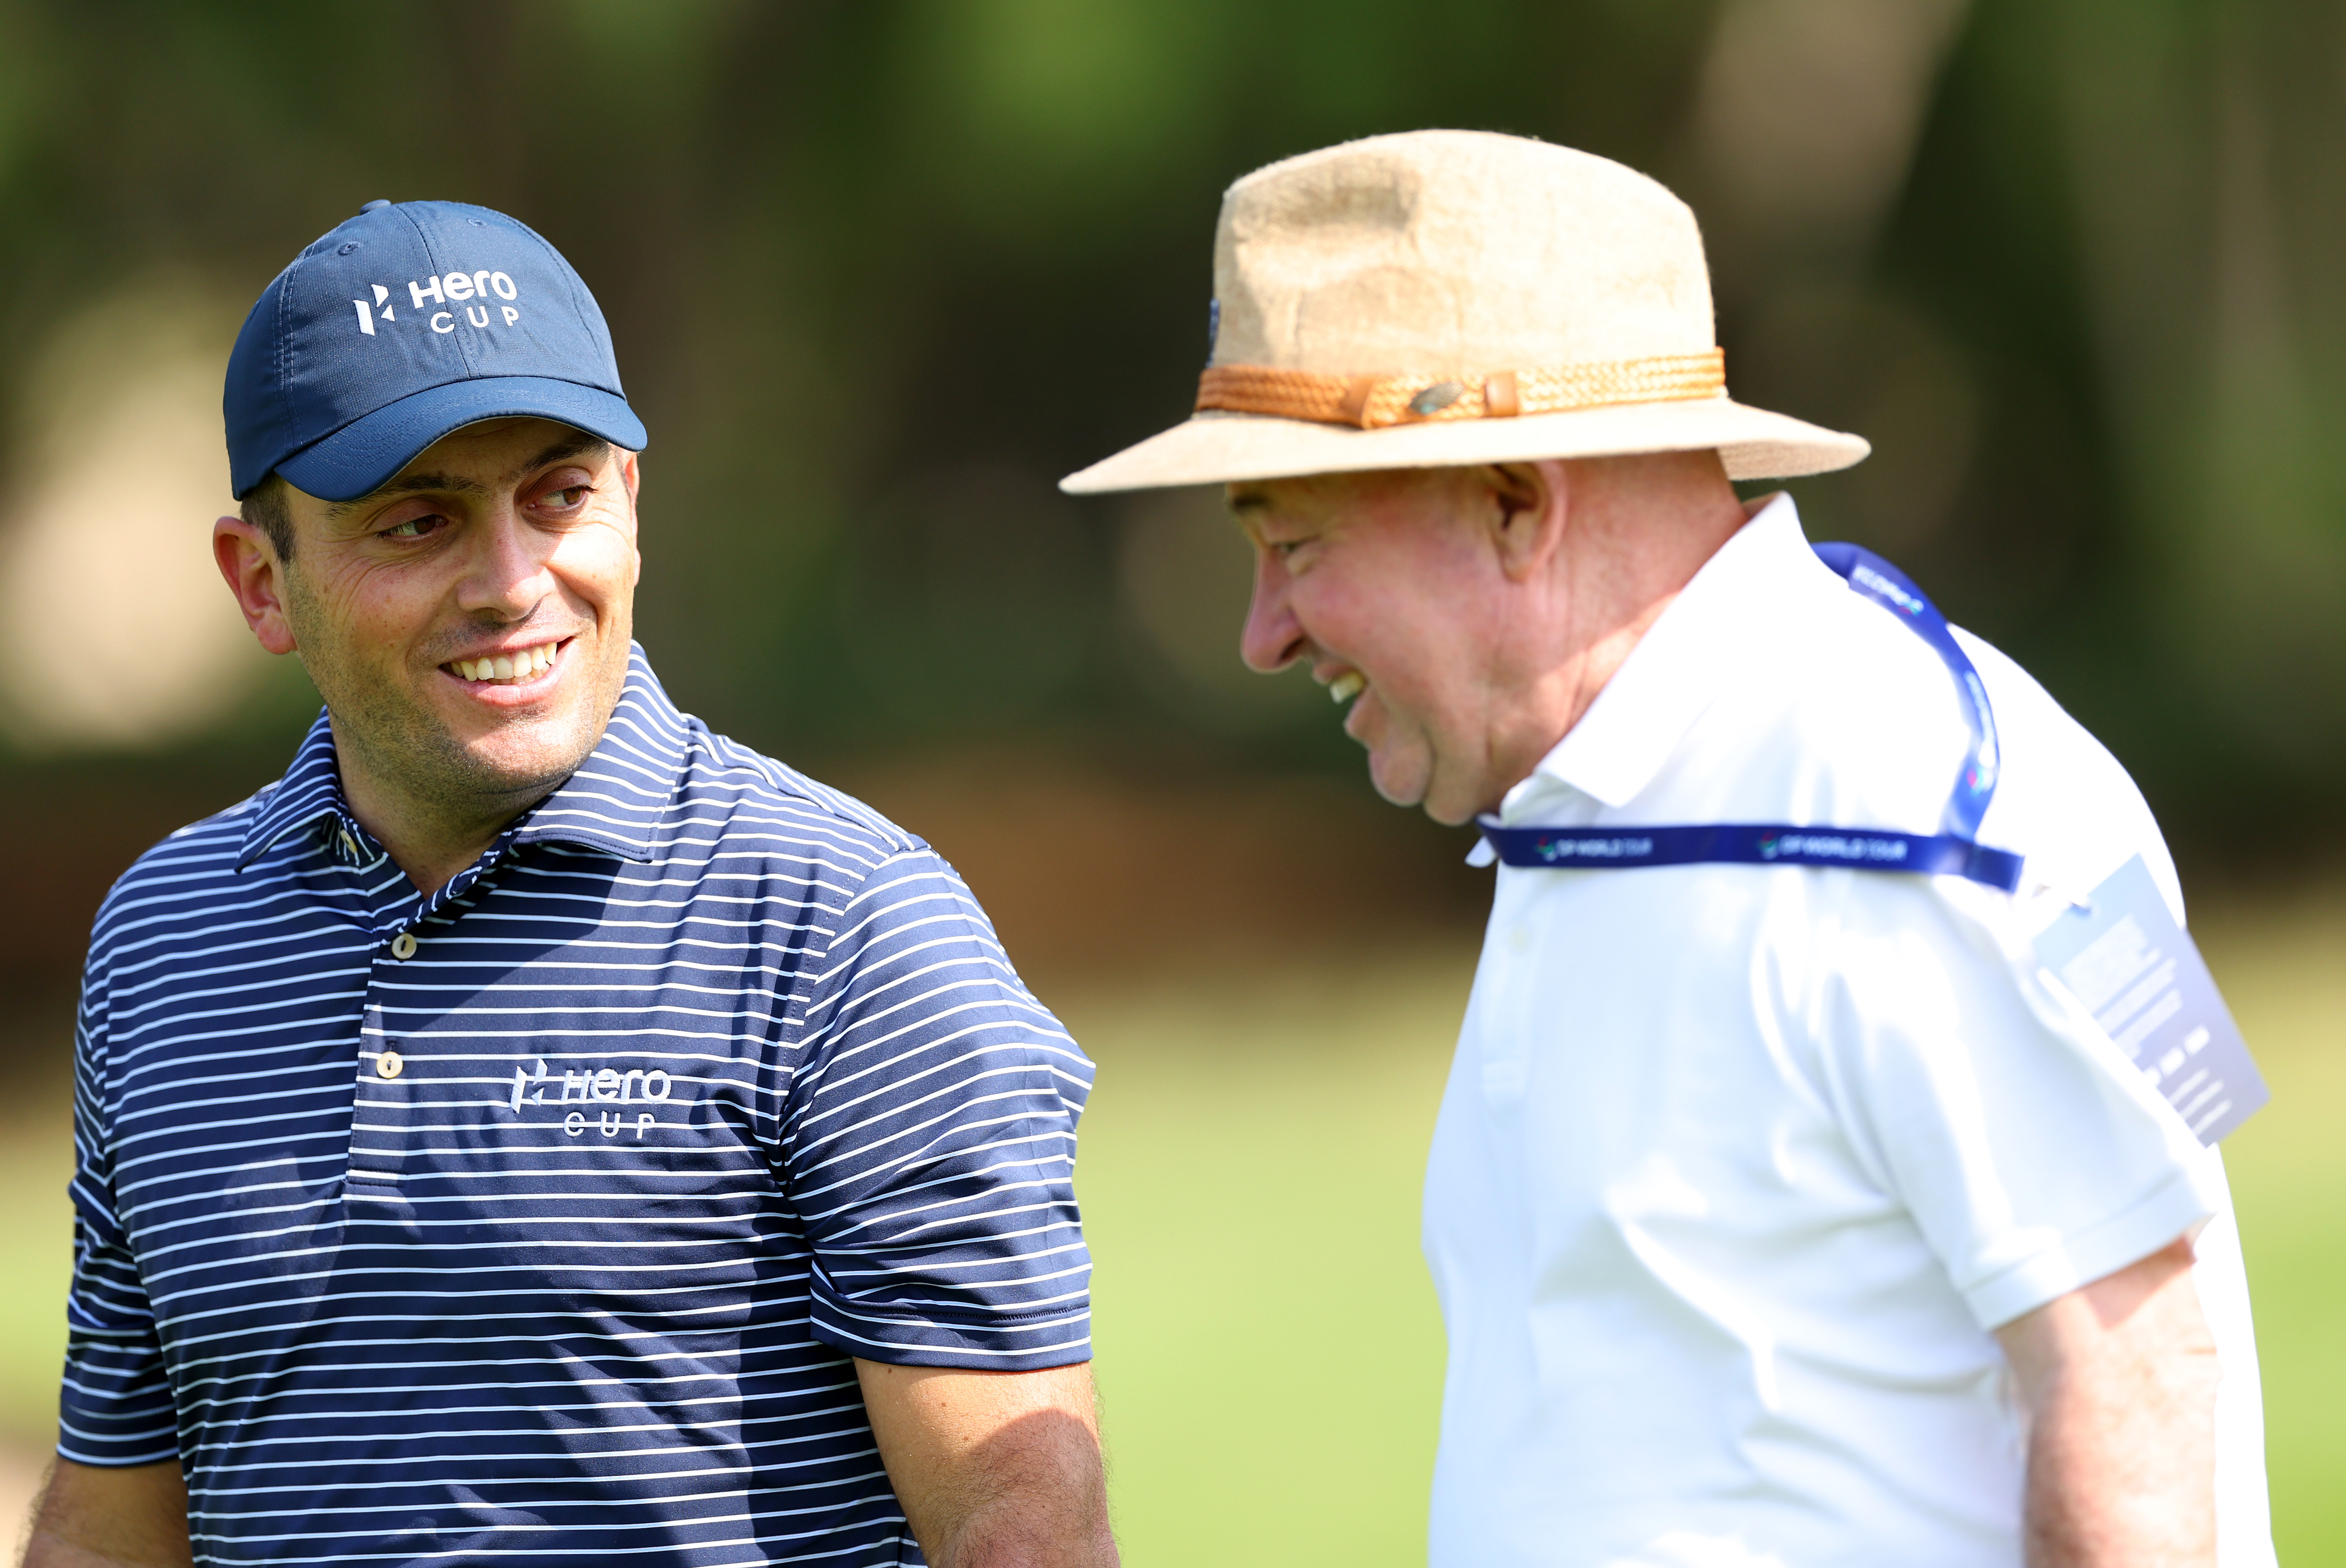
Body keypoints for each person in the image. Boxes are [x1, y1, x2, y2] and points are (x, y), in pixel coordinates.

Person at [1061, 131, 2272, 1568]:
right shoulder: (1597, 806)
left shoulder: (1929, 810)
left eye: (1300, 545)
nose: (1261, 636)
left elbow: (2143, 1383)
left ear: (1515, 501)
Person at [30, 200, 1117, 1568]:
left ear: (632, 503)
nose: (512, 584)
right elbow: (115, 1521)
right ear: (262, 583)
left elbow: (1021, 1523)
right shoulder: (163, 940)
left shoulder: (846, 925)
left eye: (559, 496)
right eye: (417, 522)